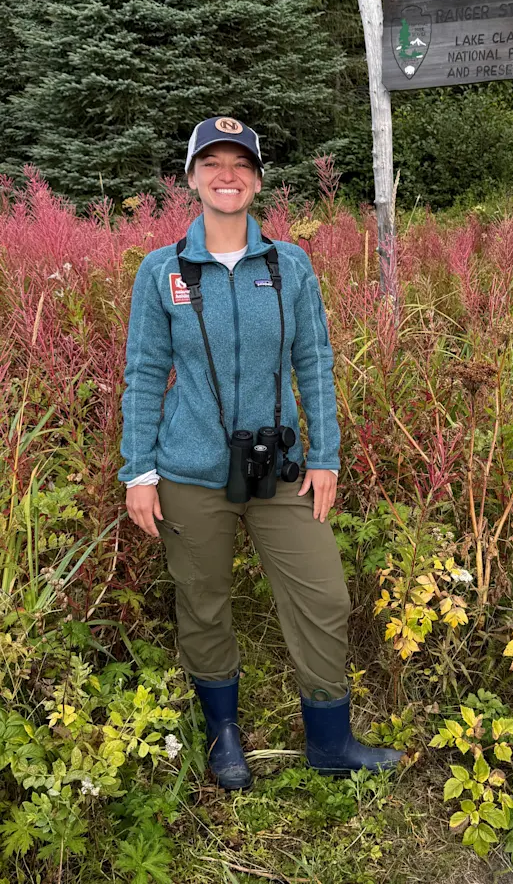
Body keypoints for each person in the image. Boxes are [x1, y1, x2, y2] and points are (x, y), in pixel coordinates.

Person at [119, 116, 402, 789]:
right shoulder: (162, 272)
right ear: (191, 178)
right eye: (212, 163)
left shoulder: (289, 264)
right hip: (190, 472)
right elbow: (143, 372)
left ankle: (330, 741)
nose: (227, 175)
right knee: (204, 600)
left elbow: (315, 361)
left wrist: (326, 455)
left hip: (278, 468)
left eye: (240, 164)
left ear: (257, 179)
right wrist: (139, 471)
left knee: (323, 594)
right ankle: (223, 735)